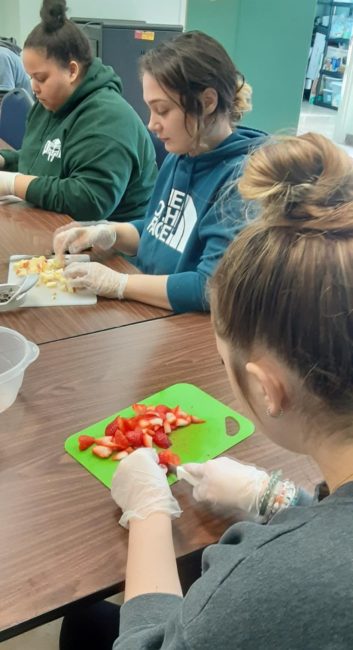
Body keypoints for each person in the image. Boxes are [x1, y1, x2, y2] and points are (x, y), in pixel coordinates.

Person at [60, 133, 353, 649]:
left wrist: (149, 514)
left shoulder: (270, 579)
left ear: (267, 389)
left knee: (84, 629)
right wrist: (285, 500)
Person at [53, 30, 267, 312]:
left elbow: (211, 287)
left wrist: (119, 284)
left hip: (185, 328)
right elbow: (160, 230)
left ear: (207, 102)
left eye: (162, 110)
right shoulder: (185, 149)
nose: (152, 124)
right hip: (149, 305)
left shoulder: (240, 180)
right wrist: (109, 231)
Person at [0, 0, 156, 221]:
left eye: (41, 78)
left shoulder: (108, 118)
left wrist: (11, 183)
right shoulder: (51, 103)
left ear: (72, 71)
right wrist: (5, 161)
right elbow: (44, 159)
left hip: (110, 245)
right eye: (31, 77)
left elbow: (89, 201)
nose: (34, 88)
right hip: (58, 226)